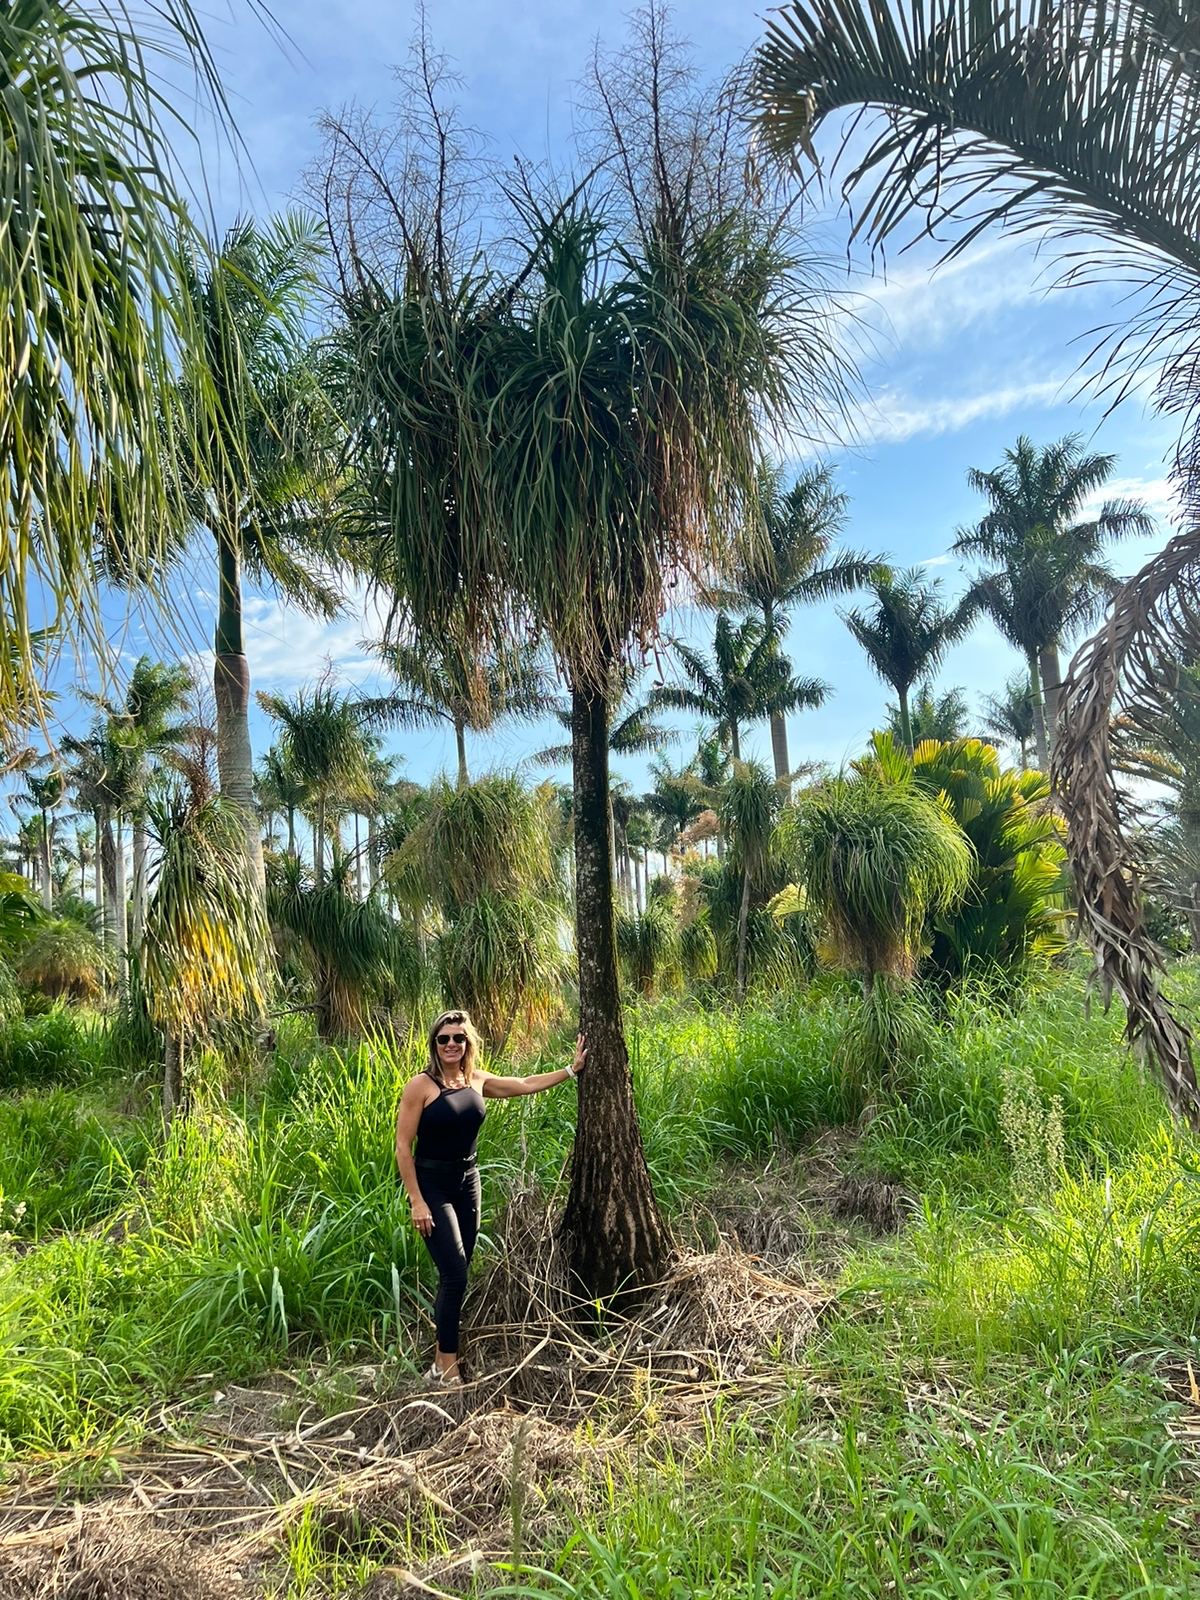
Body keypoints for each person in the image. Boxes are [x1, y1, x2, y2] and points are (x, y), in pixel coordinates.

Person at [395, 1008, 587, 1386]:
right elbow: (403, 1147)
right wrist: (416, 1200)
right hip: (432, 1184)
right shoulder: (421, 1086)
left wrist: (570, 1069)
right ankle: (447, 1369)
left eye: (459, 1038)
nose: (452, 1044)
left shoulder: (476, 1081)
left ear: (468, 1044)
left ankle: (439, 1355)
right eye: (444, 1038)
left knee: (456, 1273)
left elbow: (524, 1083)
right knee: (455, 1272)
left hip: (469, 1182)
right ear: (434, 1044)